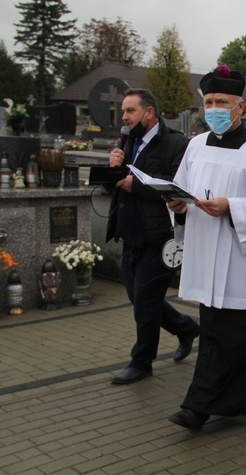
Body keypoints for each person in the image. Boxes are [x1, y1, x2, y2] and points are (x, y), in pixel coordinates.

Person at [165, 65, 246, 429]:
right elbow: (180, 188)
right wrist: (176, 206)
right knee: (216, 326)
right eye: (209, 101)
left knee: (237, 330)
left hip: (240, 255)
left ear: (241, 107)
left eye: (222, 101)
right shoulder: (195, 145)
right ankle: (243, 391)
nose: (214, 107)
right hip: (206, 251)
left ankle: (200, 405)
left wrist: (230, 207)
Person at [107, 88, 199, 385]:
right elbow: (118, 187)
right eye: (123, 112)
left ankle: (141, 362)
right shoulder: (127, 144)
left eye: (130, 111)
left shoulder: (174, 144)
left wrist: (138, 187)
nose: (124, 117)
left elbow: (177, 188)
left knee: (145, 304)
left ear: (149, 113)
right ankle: (185, 327)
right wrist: (113, 171)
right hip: (130, 234)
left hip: (160, 237)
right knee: (139, 298)